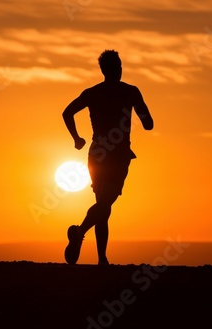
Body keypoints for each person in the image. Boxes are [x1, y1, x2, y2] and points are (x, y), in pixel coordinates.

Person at [62, 49, 154, 265]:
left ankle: (102, 259)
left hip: (96, 153)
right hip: (118, 155)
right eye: (119, 67)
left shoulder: (92, 93)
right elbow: (149, 124)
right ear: (119, 69)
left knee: (103, 206)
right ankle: (80, 231)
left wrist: (76, 138)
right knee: (105, 204)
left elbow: (67, 113)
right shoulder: (130, 92)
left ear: (103, 70)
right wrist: (142, 116)